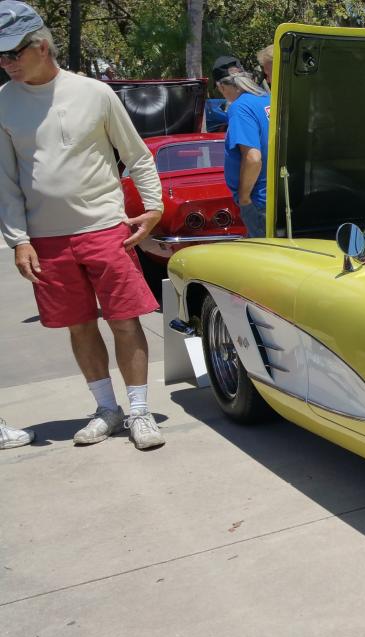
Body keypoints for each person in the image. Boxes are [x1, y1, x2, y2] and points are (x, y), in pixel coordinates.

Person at [0, 1, 166, 449]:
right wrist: (17, 240)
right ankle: (107, 410)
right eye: (0, 56)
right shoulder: (3, 103)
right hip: (46, 240)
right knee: (78, 325)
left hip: (105, 228)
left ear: (42, 45)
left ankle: (139, 412)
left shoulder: (94, 92)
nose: (6, 63)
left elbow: (137, 155)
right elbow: (7, 182)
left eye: (13, 53)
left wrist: (153, 208)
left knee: (125, 321)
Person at [214, 66, 270, 238]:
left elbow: (253, 158)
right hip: (278, 195)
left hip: (258, 200)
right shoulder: (268, 100)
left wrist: (244, 198)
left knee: (265, 259)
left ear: (222, 87)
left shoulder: (240, 108)